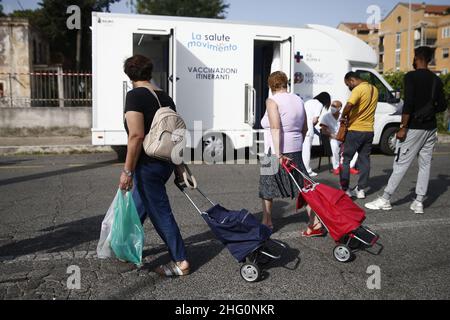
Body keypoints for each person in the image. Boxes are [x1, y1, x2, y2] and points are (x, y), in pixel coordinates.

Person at [119, 54, 190, 276]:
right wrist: (179, 168)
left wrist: (127, 171)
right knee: (138, 206)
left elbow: (136, 136)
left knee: (160, 213)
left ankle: (181, 261)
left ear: (129, 74)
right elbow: (176, 136)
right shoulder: (166, 98)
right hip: (165, 164)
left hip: (146, 166)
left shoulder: (135, 96)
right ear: (150, 72)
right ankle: (126, 249)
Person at [365, 46, 447, 214]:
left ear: (417, 57)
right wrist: (429, 111)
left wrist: (403, 127)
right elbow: (443, 105)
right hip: (430, 128)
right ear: (429, 59)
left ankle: (386, 199)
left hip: (414, 128)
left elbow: (408, 103)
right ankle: (418, 202)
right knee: (425, 165)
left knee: (401, 163)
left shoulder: (411, 77)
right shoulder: (436, 80)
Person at [259, 71, 325, 237]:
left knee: (267, 186)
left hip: (274, 150)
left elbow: (275, 127)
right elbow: (305, 127)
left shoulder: (272, 100)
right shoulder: (297, 99)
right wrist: (297, 143)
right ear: (285, 84)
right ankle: (315, 222)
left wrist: (278, 153)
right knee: (303, 186)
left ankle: (266, 222)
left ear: (271, 85)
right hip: (295, 148)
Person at [340, 72, 378, 199]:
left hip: (355, 130)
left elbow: (349, 105)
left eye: (348, 85)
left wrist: (343, 116)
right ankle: (361, 189)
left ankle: (345, 189)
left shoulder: (358, 89)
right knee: (365, 160)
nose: (349, 87)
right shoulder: (374, 89)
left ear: (352, 80)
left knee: (346, 160)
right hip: (369, 131)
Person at [319, 100, 359, 176]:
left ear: (339, 108)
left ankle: (350, 166)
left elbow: (349, 127)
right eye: (332, 106)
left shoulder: (343, 116)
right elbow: (324, 130)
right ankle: (336, 167)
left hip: (343, 137)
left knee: (355, 149)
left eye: (334, 106)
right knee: (334, 146)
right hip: (332, 137)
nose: (332, 108)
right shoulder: (326, 116)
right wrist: (332, 135)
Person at [302, 92, 331, 177]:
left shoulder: (308, 102)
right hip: (308, 129)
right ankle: (307, 170)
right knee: (307, 151)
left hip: (301, 128)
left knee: (302, 150)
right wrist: (314, 124)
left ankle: (302, 169)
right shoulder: (319, 104)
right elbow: (315, 120)